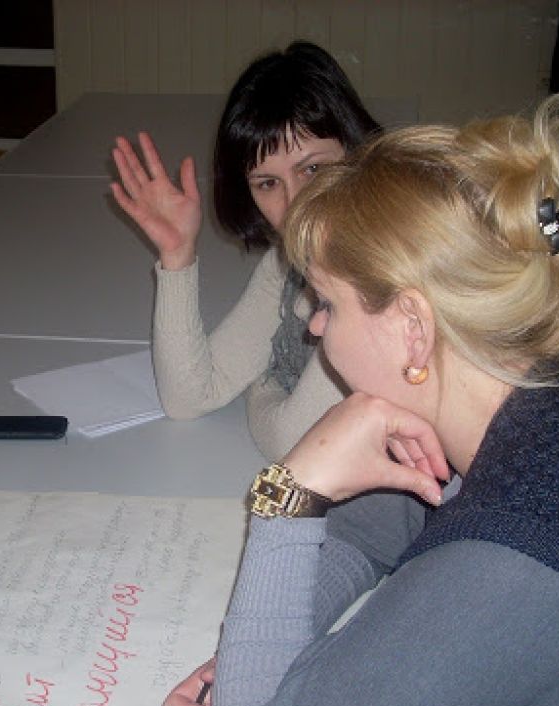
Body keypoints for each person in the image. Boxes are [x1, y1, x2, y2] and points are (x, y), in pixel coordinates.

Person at [164, 95, 559, 706]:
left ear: (413, 329)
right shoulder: (528, 382)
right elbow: (378, 527)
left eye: (328, 303)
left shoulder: (511, 568)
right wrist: (264, 653)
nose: (314, 326)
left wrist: (289, 494)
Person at [111, 41, 380, 461]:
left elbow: (294, 444)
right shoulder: (287, 264)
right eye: (268, 183)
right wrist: (177, 255)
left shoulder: (376, 278)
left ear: (357, 152)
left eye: (313, 169)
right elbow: (189, 398)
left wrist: (262, 381)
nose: (294, 203)